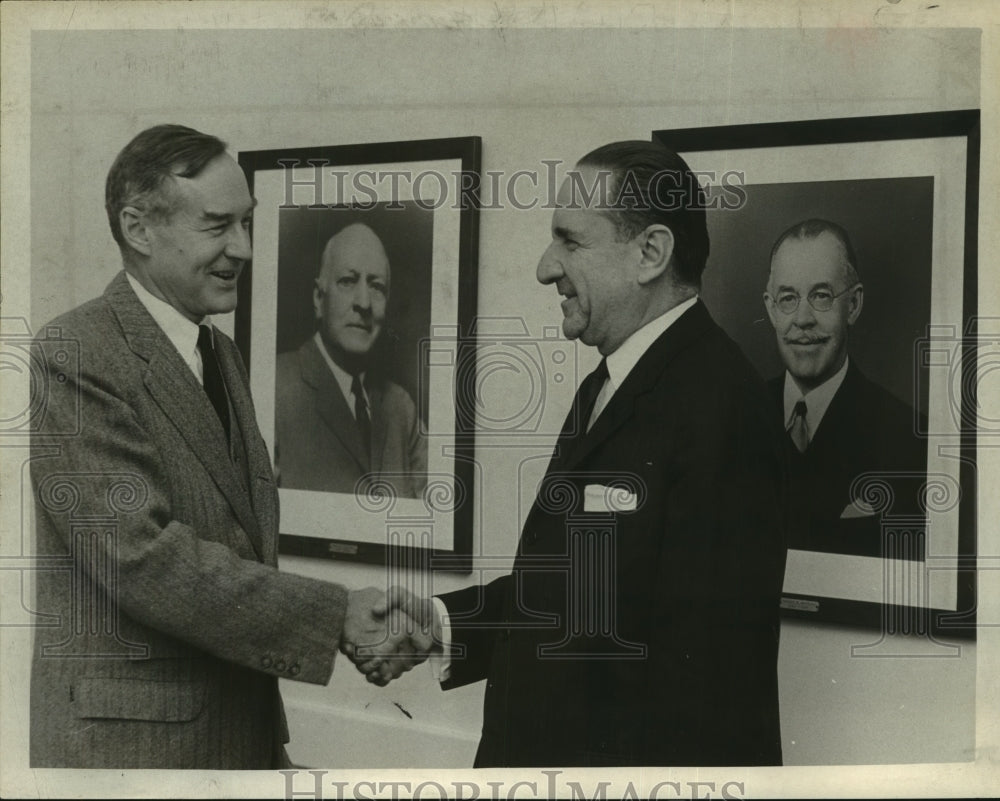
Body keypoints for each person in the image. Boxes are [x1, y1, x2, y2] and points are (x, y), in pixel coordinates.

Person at [367, 141, 789, 767]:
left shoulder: (723, 406)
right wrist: (441, 622)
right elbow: (583, 592)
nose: (544, 267)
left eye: (570, 240)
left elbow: (704, 690)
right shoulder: (613, 381)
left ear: (650, 253)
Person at [28, 124, 423, 769]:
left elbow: (235, 546)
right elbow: (142, 558)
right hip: (132, 754)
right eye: (218, 226)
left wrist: (268, 753)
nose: (242, 249)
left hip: (228, 743)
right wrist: (334, 618)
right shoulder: (73, 354)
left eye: (248, 224)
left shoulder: (221, 353)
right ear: (138, 228)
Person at [762, 218, 927, 558]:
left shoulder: (910, 439)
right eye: (788, 298)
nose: (803, 318)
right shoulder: (734, 418)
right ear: (770, 308)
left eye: (821, 296)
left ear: (852, 305)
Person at [274, 223, 426, 499]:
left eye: (376, 286)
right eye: (348, 281)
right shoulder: (273, 387)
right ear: (319, 298)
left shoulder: (402, 410)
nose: (364, 303)